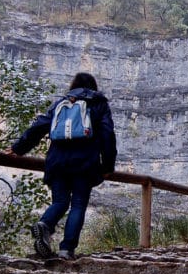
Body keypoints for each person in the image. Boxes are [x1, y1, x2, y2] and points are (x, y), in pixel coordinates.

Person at [8, 72, 117, 260]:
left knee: (60, 201)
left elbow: (39, 126)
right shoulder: (98, 103)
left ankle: (45, 224)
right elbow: (108, 135)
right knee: (78, 204)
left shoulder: (61, 103)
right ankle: (66, 249)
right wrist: (107, 166)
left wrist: (18, 148)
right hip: (84, 163)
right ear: (93, 87)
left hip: (57, 161)